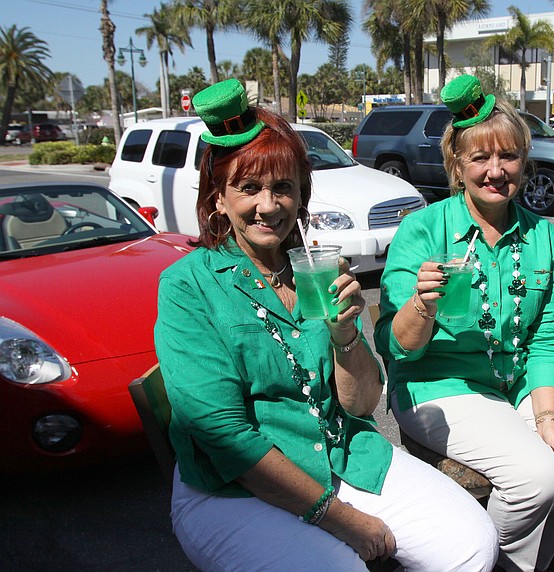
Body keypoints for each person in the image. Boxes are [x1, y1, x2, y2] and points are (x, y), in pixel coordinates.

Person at [154, 78, 498, 572]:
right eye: (248, 188)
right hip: (233, 490)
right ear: (218, 199)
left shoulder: (315, 270)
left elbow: (360, 405)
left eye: (283, 187)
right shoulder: (189, 286)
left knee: (471, 544)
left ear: (301, 196)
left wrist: (345, 337)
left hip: (341, 453)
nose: (268, 206)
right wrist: (338, 517)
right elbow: (223, 434)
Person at [374, 75, 554, 572]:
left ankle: (509, 561)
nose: (496, 171)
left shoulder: (542, 235)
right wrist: (422, 306)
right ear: (457, 164)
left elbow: (552, 335)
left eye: (508, 156)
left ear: (524, 162)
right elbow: (395, 348)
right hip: (439, 385)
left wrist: (547, 419)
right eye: (480, 158)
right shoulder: (423, 230)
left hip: (517, 380)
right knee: (539, 477)